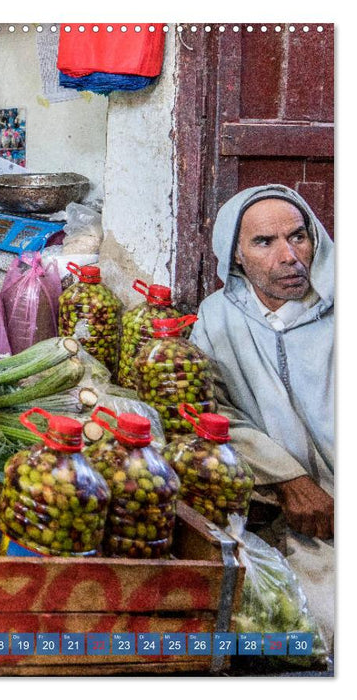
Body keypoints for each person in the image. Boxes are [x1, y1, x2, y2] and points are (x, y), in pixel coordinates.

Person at [190, 184, 334, 646]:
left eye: (299, 237)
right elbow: (214, 411)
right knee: (322, 621)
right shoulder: (216, 320)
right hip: (293, 516)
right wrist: (289, 478)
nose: (290, 256)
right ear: (235, 256)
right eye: (265, 242)